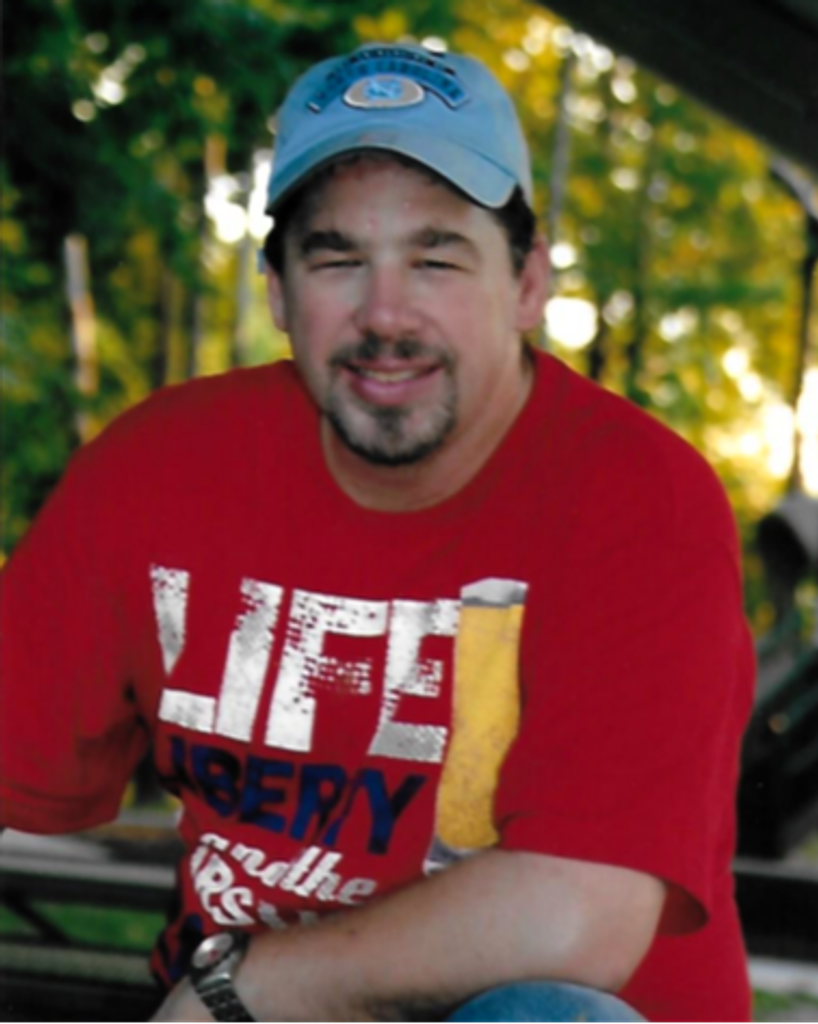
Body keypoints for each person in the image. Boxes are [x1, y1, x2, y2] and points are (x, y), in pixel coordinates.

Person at [0, 42, 754, 1024]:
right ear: (279, 293)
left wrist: (239, 989)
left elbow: (576, 915)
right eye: (337, 260)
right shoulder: (156, 472)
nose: (385, 314)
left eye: (436, 259)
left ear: (527, 283)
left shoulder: (637, 498)